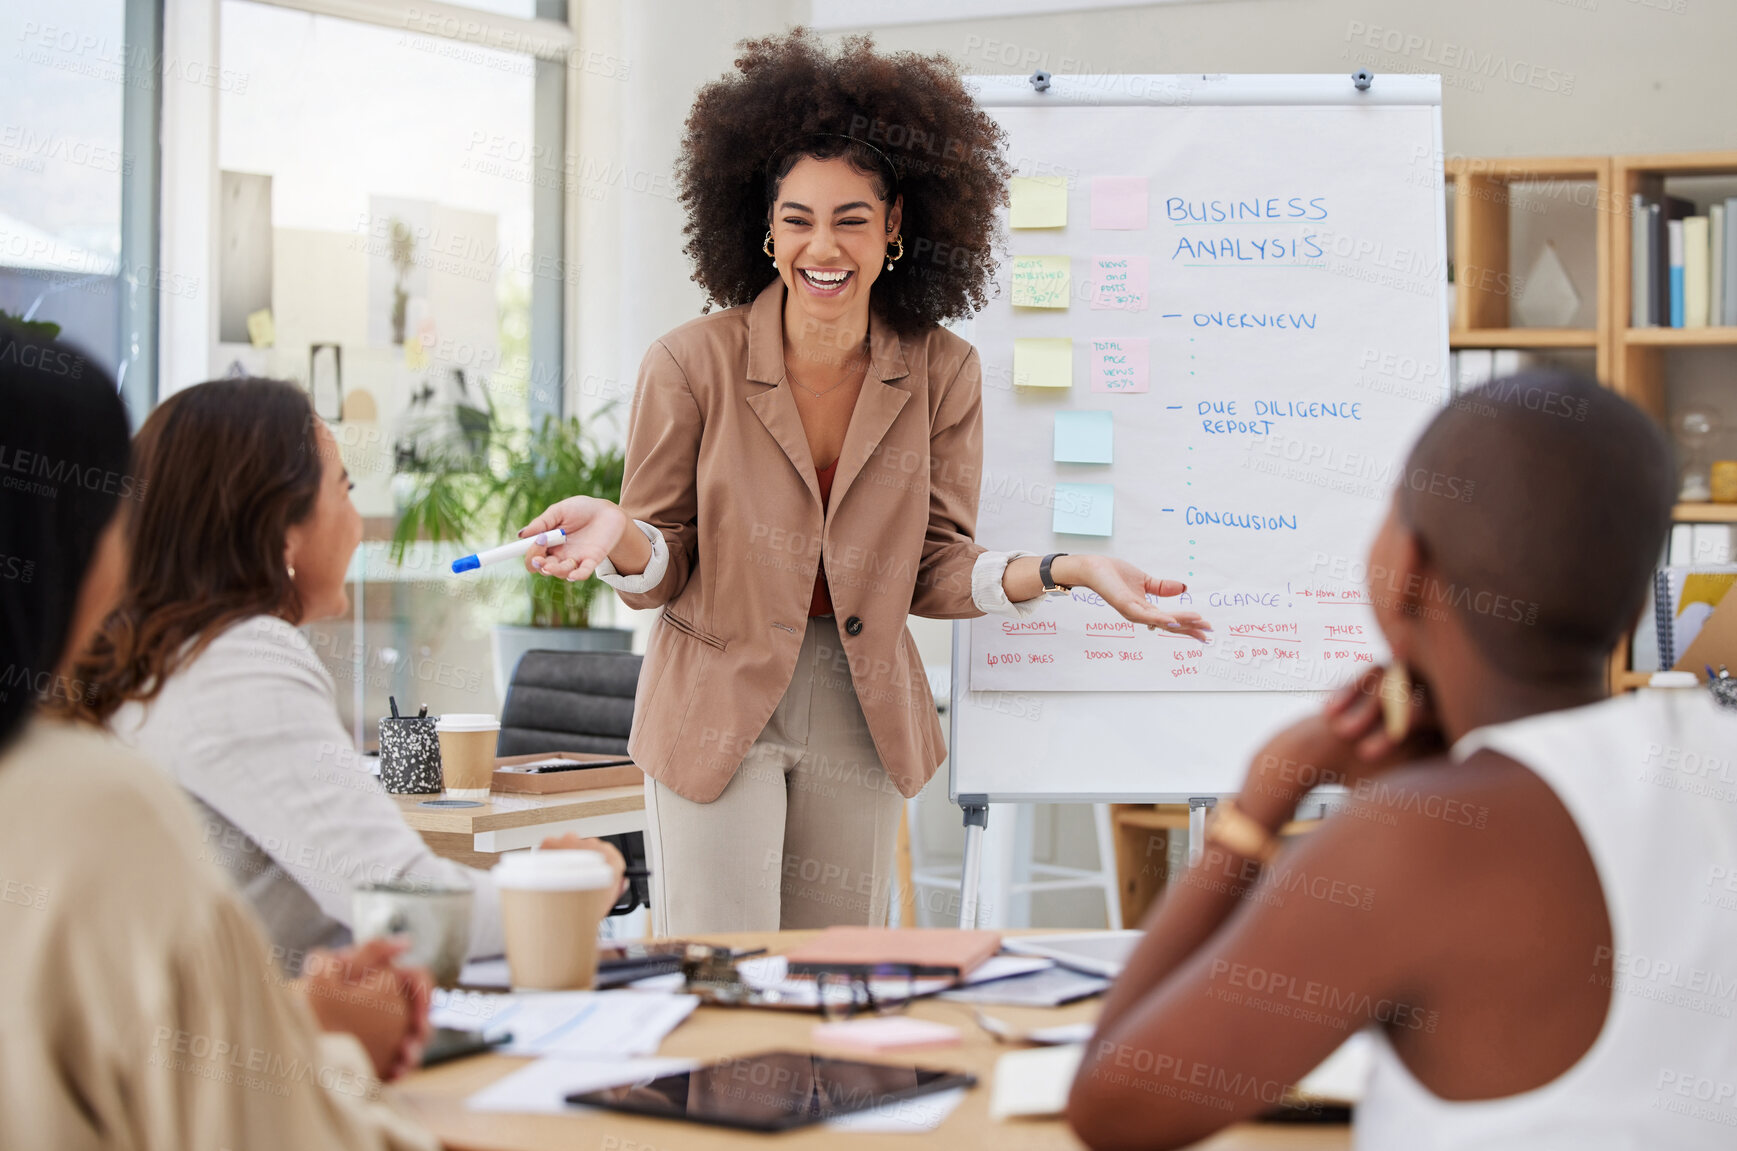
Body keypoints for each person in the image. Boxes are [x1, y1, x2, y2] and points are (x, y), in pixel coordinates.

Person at [516, 30, 1212, 935]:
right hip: (717, 698)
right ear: (764, 230)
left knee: (834, 993)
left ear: (894, 228)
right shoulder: (689, 363)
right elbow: (662, 564)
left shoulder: (941, 370)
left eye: (851, 218)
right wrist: (621, 535)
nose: (823, 246)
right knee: (724, 977)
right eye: (798, 218)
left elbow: (933, 564)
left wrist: (1065, 569)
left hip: (861, 704)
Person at [1066, 370, 1737, 1150]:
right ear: (1634, 604)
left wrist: (1255, 811)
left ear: (1409, 571)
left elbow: (1115, 1109)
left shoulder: (1416, 837)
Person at [0, 323, 437, 1148]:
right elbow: (265, 1131)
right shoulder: (89, 797)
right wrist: (339, 1047)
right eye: (114, 513)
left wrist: (295, 1020)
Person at [66, 377, 623, 964]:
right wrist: (570, 883)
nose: (357, 524)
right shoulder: (242, 662)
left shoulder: (151, 654)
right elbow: (401, 910)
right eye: (345, 490)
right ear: (283, 528)